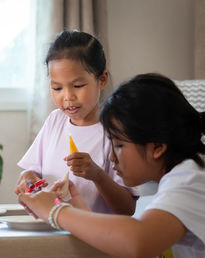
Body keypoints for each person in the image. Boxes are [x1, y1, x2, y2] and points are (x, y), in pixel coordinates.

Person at [19, 73, 205, 258]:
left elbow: (137, 242)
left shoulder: (191, 178)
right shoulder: (183, 174)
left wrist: (56, 211)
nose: (112, 157)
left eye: (118, 145)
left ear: (157, 147)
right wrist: (85, 216)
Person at [15, 30, 137, 215]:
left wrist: (97, 175)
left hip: (94, 237)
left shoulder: (116, 130)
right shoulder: (55, 121)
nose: (68, 97)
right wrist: (27, 179)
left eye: (78, 86)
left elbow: (127, 208)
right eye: (57, 88)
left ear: (102, 79)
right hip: (52, 230)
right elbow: (31, 173)